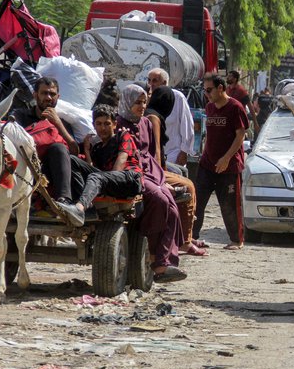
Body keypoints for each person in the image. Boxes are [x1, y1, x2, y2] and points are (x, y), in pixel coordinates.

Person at [57, 104, 187, 283]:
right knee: (73, 161)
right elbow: (92, 168)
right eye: (99, 124)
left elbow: (122, 159)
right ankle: (80, 204)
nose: (103, 128)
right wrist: (86, 151)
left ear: (114, 125)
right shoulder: (97, 147)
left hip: (128, 179)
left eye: (107, 124)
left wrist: (107, 179)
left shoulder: (123, 136)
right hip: (108, 180)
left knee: (97, 177)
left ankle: (79, 207)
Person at [117, 85, 207, 256]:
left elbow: (150, 154)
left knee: (180, 185)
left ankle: (175, 246)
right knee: (173, 195)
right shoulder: (137, 122)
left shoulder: (144, 122)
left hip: (150, 171)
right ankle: (174, 247)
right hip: (140, 173)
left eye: (144, 102)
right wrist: (161, 180)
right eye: (138, 102)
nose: (142, 106)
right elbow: (155, 154)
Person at [193, 75, 249, 250]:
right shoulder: (209, 107)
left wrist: (226, 158)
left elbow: (241, 135)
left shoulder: (235, 107)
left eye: (209, 90)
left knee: (229, 204)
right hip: (207, 164)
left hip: (229, 166)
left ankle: (236, 240)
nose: (206, 94)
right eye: (205, 90)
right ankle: (191, 238)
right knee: (197, 202)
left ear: (220, 88)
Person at [10, 77, 79, 210]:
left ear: (58, 97)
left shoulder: (63, 122)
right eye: (44, 93)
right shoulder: (21, 115)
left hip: (50, 175)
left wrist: (57, 124)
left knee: (58, 148)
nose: (48, 98)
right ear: (35, 95)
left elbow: (74, 151)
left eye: (52, 94)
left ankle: (64, 200)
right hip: (22, 171)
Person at [146, 68, 194, 167]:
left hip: (174, 153)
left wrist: (184, 151)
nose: (151, 84)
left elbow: (187, 125)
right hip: (154, 154)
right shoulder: (146, 98)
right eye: (149, 80)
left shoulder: (177, 97)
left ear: (164, 83)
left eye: (155, 80)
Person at [226, 70, 259, 135]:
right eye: (228, 76)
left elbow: (250, 106)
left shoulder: (241, 91)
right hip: (228, 121)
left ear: (235, 79)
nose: (227, 77)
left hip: (238, 121)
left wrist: (255, 123)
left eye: (230, 76)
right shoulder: (227, 89)